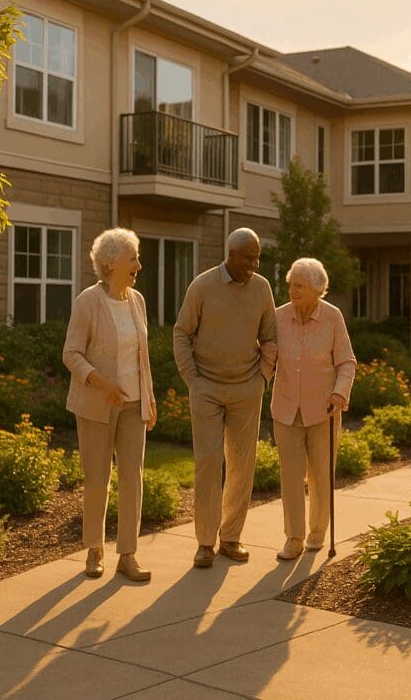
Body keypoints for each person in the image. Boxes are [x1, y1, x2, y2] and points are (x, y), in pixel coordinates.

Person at [173, 227, 277, 568]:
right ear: (231, 254)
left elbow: (271, 338)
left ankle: (231, 537)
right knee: (207, 463)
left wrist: (262, 377)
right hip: (207, 388)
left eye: (257, 257)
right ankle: (205, 542)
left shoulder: (261, 288)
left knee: (242, 465)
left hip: (246, 388)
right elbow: (182, 333)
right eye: (249, 257)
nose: (254, 263)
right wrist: (193, 380)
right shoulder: (203, 286)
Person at [63, 228, 156, 582]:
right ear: (112, 263)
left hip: (133, 405)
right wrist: (103, 384)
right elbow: (71, 353)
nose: (138, 265)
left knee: (133, 477)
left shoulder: (137, 301)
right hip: (96, 405)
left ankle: (128, 555)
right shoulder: (88, 301)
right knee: (97, 478)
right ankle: (94, 550)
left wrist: (149, 398)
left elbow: (141, 357)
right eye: (133, 258)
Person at [270, 258, 357, 560]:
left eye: (299, 286)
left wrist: (339, 393)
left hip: (324, 409)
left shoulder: (332, 318)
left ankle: (317, 532)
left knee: (321, 474)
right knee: (291, 475)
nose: (292, 290)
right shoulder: (278, 317)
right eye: (291, 284)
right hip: (286, 409)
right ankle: (293, 538)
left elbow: (346, 362)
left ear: (317, 290)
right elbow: (267, 357)